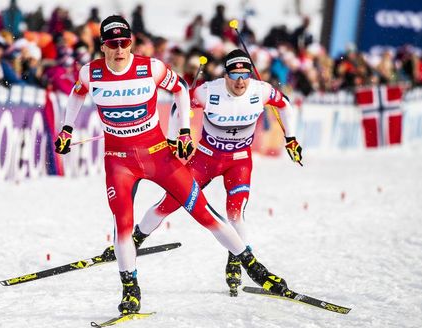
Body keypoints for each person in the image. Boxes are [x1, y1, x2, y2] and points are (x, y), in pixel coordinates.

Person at [54, 15, 291, 315]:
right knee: (122, 224)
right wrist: (66, 129)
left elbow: (180, 89)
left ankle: (254, 268)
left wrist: (182, 131)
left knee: (203, 211)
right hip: (119, 162)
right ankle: (131, 288)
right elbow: (76, 94)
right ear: (103, 46)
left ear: (131, 43)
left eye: (124, 42)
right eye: (112, 44)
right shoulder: (91, 74)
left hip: (158, 156)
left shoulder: (150, 68)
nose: (119, 49)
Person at [134, 49, 303, 296]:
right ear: (225, 75)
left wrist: (291, 138)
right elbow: (176, 105)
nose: (240, 81)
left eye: (245, 75)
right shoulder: (207, 91)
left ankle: (235, 259)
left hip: (239, 162)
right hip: (205, 160)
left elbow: (285, 105)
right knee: (169, 203)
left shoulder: (260, 90)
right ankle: (136, 238)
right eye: (234, 75)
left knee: (235, 214)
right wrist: (174, 139)